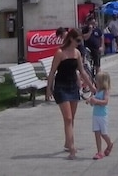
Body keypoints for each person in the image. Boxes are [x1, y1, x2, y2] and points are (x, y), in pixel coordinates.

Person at [45, 28, 95, 160]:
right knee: (67, 118)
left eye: (80, 41)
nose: (79, 43)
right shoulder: (60, 53)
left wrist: (92, 87)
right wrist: (48, 89)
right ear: (71, 39)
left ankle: (68, 142)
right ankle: (72, 147)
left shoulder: (77, 53)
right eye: (77, 40)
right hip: (61, 87)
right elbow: (52, 72)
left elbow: (82, 71)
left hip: (73, 86)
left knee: (71, 118)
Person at [86, 71, 114, 160]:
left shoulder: (105, 91)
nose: (96, 83)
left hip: (102, 116)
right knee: (97, 133)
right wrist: (90, 101)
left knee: (103, 133)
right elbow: (94, 101)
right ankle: (99, 151)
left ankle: (109, 143)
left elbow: (105, 102)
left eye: (97, 81)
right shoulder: (97, 91)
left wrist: (96, 101)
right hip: (95, 115)